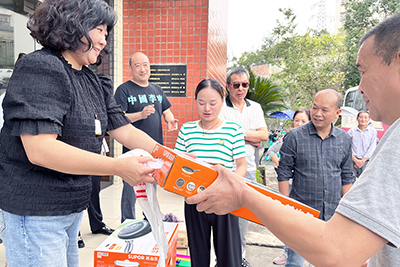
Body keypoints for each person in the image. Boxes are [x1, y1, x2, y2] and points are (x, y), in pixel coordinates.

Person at [187, 12, 400, 267]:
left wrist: (242, 192)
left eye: (363, 71)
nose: (360, 86)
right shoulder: (296, 137)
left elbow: (336, 251)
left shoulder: (383, 139)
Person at [0, 0, 159, 266]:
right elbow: (40, 149)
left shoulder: (91, 79)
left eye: (106, 33)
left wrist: (173, 158)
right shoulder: (41, 68)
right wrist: (118, 167)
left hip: (70, 209)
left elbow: (124, 129)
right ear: (73, 24)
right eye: (99, 30)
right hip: (37, 210)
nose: (103, 40)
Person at [275, 89, 355, 267]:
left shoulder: (344, 139)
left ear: (337, 113)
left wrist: (347, 211)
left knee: (329, 261)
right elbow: (284, 172)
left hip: (333, 214)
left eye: (325, 110)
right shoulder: (294, 137)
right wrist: (285, 206)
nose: (318, 114)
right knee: (295, 261)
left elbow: (347, 175)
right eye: (314, 108)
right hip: (301, 213)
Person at [175, 78, 246, 267]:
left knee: (229, 256)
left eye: (213, 103)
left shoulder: (233, 130)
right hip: (194, 199)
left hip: (226, 199)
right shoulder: (186, 129)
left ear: (222, 102)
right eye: (201, 102)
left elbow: (241, 166)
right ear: (195, 101)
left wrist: (229, 186)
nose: (207, 108)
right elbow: (176, 166)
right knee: (198, 255)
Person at [114, 52, 178, 223]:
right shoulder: (124, 90)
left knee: (151, 185)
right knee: (131, 188)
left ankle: (149, 219)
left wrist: (170, 120)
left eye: (146, 65)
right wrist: (140, 115)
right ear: (131, 68)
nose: (143, 69)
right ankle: (127, 222)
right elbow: (119, 119)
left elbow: (166, 110)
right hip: (134, 150)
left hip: (155, 149)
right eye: (137, 65)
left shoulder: (157, 89)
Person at [218, 68, 268, 267]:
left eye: (244, 84)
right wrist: (249, 137)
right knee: (223, 215)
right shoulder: (220, 107)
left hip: (247, 169)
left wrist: (236, 134)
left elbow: (264, 136)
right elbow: (220, 136)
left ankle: (239, 257)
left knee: (243, 216)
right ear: (228, 86)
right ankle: (221, 257)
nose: (240, 89)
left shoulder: (254, 107)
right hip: (225, 169)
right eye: (236, 85)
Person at [270, 108, 311, 265]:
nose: (299, 124)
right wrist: (283, 168)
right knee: (290, 223)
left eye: (303, 121)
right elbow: (272, 151)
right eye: (297, 120)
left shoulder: (311, 138)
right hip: (290, 186)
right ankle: (288, 253)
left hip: (305, 187)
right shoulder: (289, 137)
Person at [347, 111, 377, 178]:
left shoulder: (373, 132)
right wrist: (356, 160)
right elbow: (347, 147)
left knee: (365, 182)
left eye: (365, 118)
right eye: (361, 117)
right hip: (352, 162)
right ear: (357, 118)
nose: (363, 119)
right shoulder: (351, 132)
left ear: (369, 119)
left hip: (366, 162)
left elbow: (372, 147)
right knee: (351, 182)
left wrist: (362, 161)